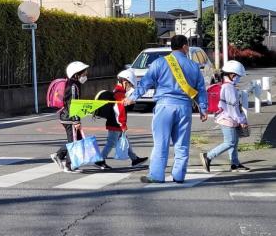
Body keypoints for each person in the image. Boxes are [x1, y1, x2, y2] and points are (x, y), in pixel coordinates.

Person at [124, 35, 208, 184]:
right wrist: (203, 108)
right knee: (182, 143)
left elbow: (145, 83)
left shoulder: (159, 63)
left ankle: (157, 175)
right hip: (184, 107)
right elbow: (201, 89)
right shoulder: (193, 66)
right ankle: (179, 175)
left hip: (164, 106)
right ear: (185, 46)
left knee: (161, 142)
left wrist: (133, 97)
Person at [200, 60, 250, 173]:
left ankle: (235, 164)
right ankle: (208, 156)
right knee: (230, 142)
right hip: (227, 119)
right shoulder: (229, 88)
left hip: (227, 118)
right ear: (232, 75)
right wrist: (241, 120)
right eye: (238, 76)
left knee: (234, 141)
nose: (239, 78)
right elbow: (233, 107)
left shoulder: (226, 85)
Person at [94, 69, 148, 169]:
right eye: (130, 85)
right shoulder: (119, 94)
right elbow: (119, 110)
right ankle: (99, 159)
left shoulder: (118, 91)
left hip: (114, 122)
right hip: (116, 124)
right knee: (111, 142)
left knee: (125, 140)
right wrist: (122, 124)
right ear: (125, 82)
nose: (130, 88)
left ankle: (134, 159)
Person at [50, 61, 90, 172]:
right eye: (84, 74)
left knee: (76, 140)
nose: (85, 76)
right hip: (69, 118)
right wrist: (76, 120)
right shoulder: (74, 86)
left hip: (67, 116)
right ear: (76, 74)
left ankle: (59, 156)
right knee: (74, 142)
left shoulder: (73, 83)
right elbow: (73, 103)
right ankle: (69, 165)